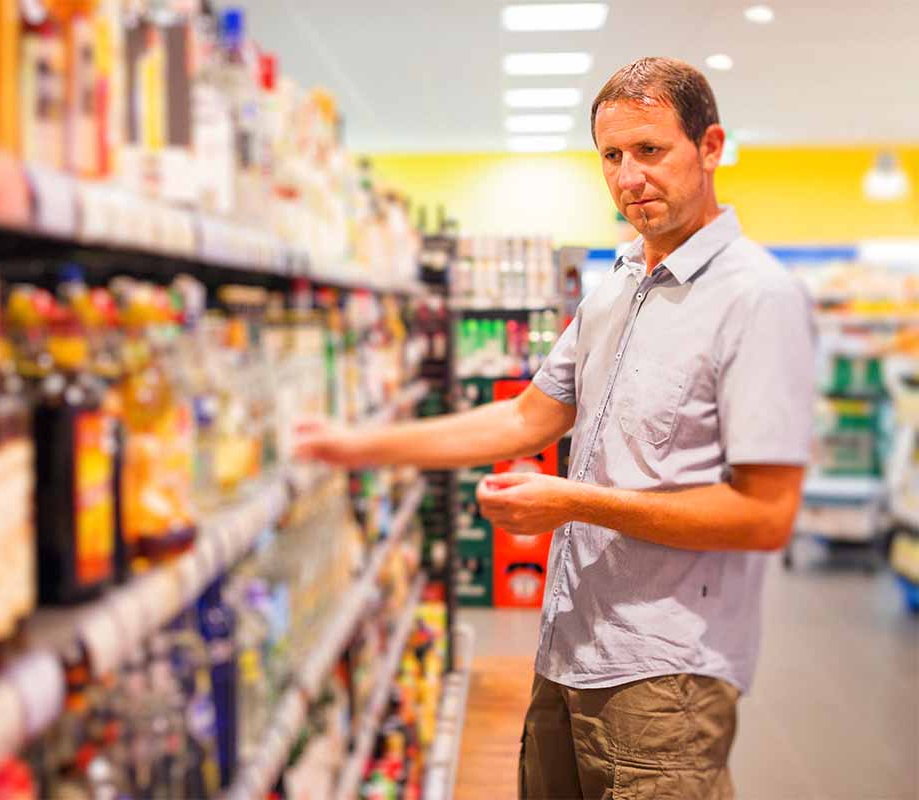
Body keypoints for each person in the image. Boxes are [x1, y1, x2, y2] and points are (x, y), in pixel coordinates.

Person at [294, 56, 815, 799]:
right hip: (568, 652)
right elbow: (521, 416)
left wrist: (572, 501)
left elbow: (766, 515)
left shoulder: (757, 299)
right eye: (611, 156)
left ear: (710, 146)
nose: (629, 177)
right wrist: (359, 446)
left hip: (665, 681)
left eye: (650, 150)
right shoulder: (617, 289)